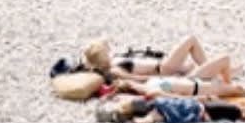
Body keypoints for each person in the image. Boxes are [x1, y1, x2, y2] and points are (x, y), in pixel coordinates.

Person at [81, 36, 236, 83]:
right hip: (163, 69)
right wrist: (165, 78)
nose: (108, 48)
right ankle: (218, 75)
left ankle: (216, 72)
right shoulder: (114, 69)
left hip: (163, 65)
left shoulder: (113, 62)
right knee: (191, 41)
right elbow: (136, 78)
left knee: (191, 60)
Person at [130, 96, 245, 123]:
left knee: (241, 110)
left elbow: (143, 121)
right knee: (242, 113)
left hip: (204, 109)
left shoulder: (156, 110)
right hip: (204, 111)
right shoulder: (156, 109)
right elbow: (143, 122)